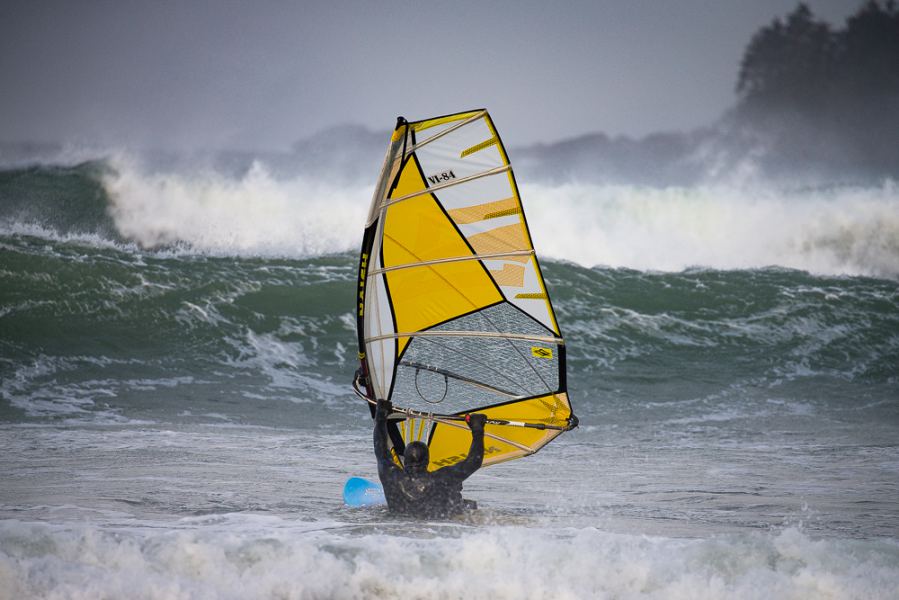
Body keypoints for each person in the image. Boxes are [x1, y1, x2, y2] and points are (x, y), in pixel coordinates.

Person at [373, 398, 486, 518]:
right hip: (434, 526)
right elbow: (474, 461)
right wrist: (477, 428)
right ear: (427, 461)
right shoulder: (440, 479)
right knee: (468, 504)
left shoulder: (390, 475)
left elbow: (380, 450)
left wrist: (380, 416)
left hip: (398, 526)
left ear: (405, 461)